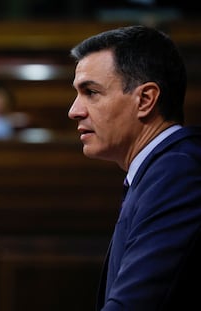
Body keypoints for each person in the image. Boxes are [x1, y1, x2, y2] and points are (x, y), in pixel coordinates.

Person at [68, 25, 201, 310]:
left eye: (91, 92)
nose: (74, 110)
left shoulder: (178, 172)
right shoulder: (162, 168)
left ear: (145, 100)